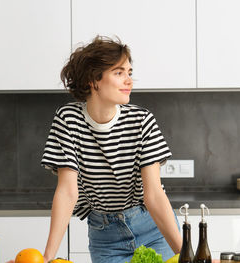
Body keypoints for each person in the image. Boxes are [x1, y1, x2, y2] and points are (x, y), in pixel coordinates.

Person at [39, 36, 181, 263]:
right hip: (106, 238)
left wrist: (186, 255)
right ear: (92, 80)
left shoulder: (142, 121)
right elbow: (67, 192)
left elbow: (153, 195)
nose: (129, 81)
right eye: (119, 73)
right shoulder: (68, 120)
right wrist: (47, 257)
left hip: (154, 230)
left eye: (130, 72)